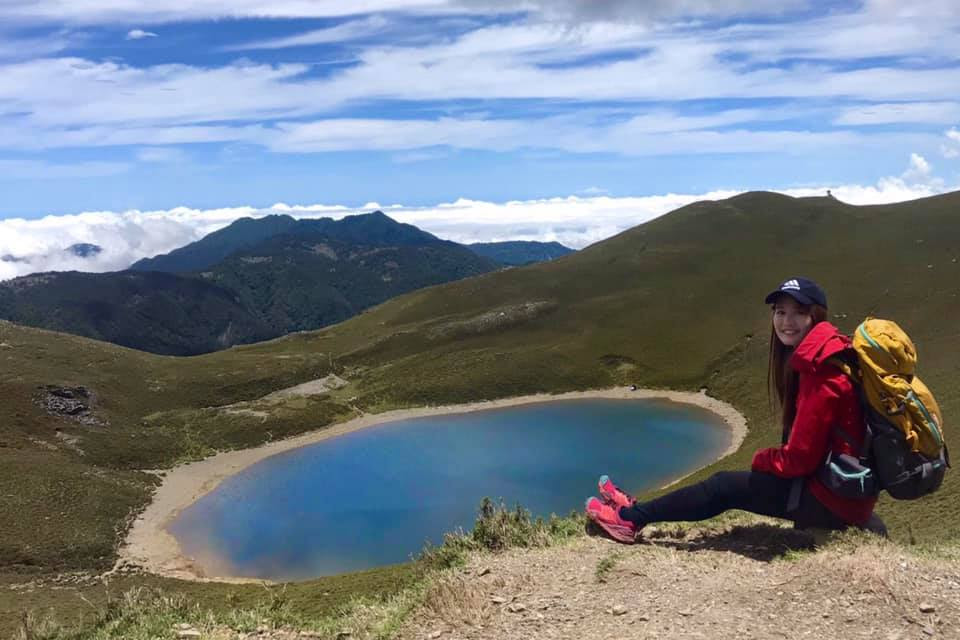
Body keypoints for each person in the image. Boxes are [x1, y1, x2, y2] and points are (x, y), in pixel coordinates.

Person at [585, 277, 887, 543]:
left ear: (816, 316)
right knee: (727, 485)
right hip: (840, 488)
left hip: (831, 499)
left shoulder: (822, 373)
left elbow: (799, 460)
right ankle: (635, 509)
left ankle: (629, 519)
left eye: (799, 312)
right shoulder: (831, 354)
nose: (787, 321)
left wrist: (761, 459)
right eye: (780, 312)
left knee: (723, 486)